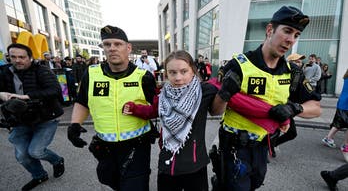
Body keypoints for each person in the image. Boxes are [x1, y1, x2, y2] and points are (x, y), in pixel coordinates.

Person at [212, 6, 321, 190]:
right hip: (234, 149)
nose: (290, 40)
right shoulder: (239, 64)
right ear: (270, 30)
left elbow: (316, 107)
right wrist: (224, 94)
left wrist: (295, 108)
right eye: (287, 31)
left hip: (263, 149)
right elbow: (215, 110)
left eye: (296, 35)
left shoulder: (292, 73)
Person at [67, 25, 157, 191]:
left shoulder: (144, 77)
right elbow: (82, 101)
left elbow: (158, 108)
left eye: (118, 44)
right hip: (105, 145)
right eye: (107, 44)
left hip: (136, 145)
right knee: (108, 180)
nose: (112, 48)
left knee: (134, 185)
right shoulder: (92, 73)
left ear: (128, 48)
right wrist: (74, 124)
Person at [122, 50, 222, 191]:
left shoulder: (204, 91)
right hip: (167, 164)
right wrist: (134, 109)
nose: (178, 77)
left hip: (195, 165)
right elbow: (152, 111)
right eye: (172, 72)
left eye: (183, 71)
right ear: (167, 74)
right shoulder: (163, 95)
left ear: (193, 71)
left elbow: (223, 92)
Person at [0, 43, 65, 190]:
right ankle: (39, 175)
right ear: (8, 57)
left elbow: (55, 90)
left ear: (30, 57)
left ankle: (57, 160)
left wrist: (26, 96)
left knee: (36, 151)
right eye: (13, 57)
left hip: (46, 118)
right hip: (19, 120)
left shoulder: (42, 71)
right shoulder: (3, 72)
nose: (17, 60)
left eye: (22, 57)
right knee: (22, 156)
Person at [322, 69, 348, 161]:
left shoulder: (346, 77)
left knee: (339, 123)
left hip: (342, 103)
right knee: (340, 123)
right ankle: (345, 146)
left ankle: (328, 138)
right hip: (345, 105)